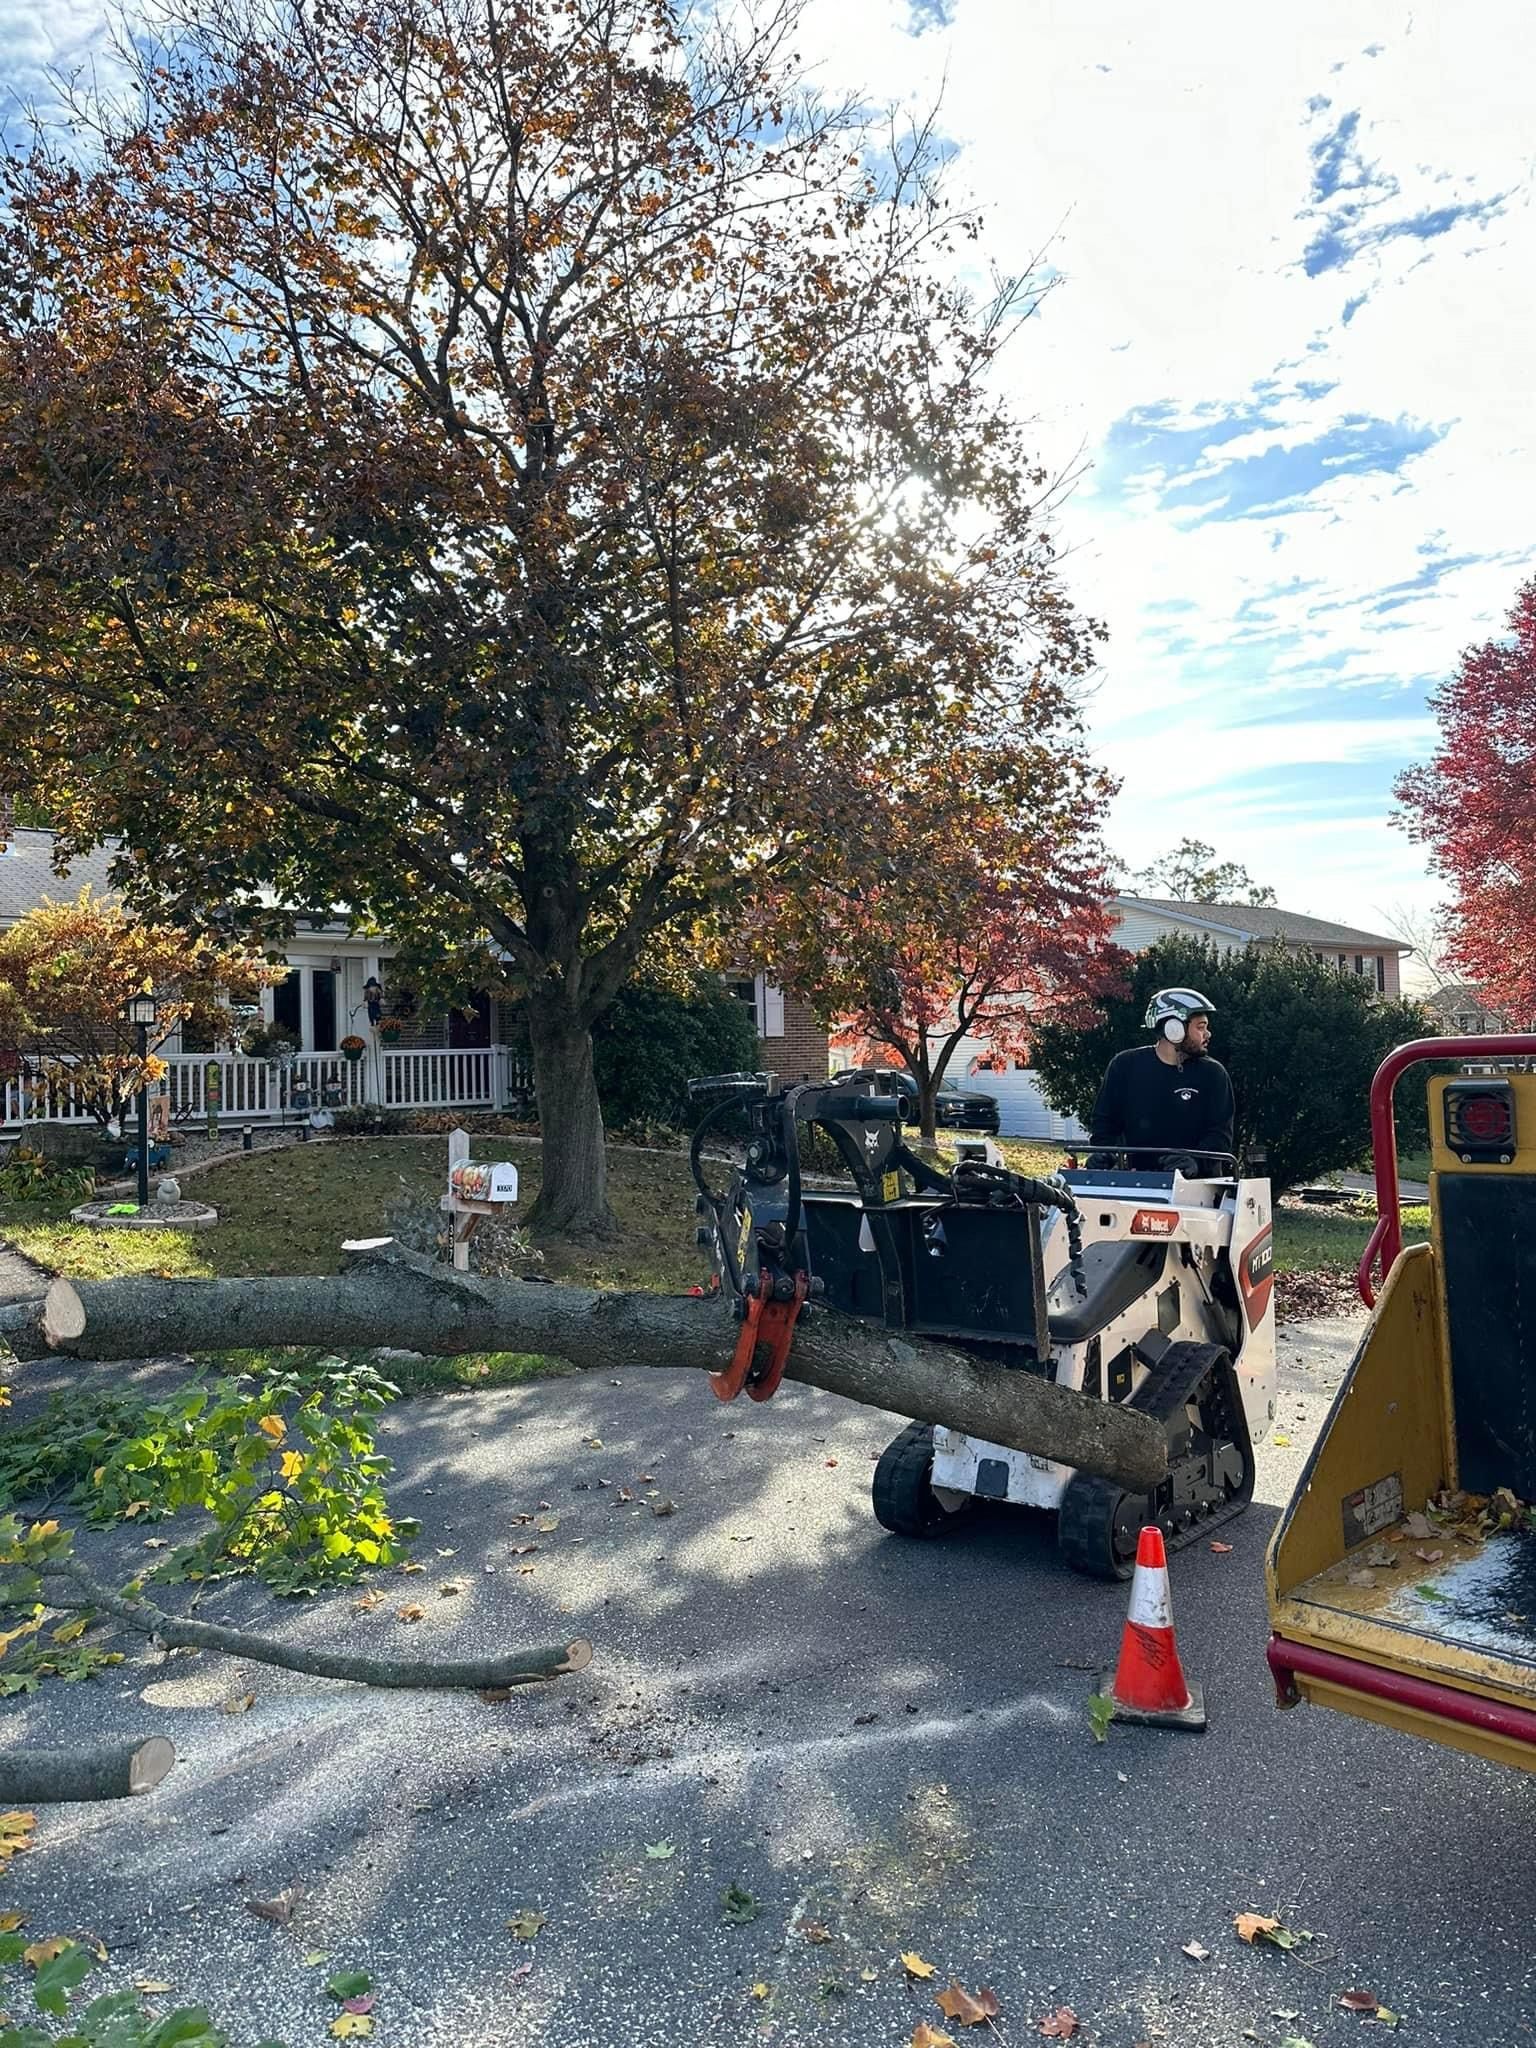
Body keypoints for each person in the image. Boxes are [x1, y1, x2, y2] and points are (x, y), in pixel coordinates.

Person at [1088, 987, 1235, 1175]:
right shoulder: (1124, 1066)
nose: (1208, 1034)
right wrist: (1104, 1153)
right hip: (1136, 1183)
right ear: (1174, 1029)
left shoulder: (1213, 1074)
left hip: (1199, 1187)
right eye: (1200, 1027)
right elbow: (1104, 1122)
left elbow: (1220, 1134)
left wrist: (1195, 1162)